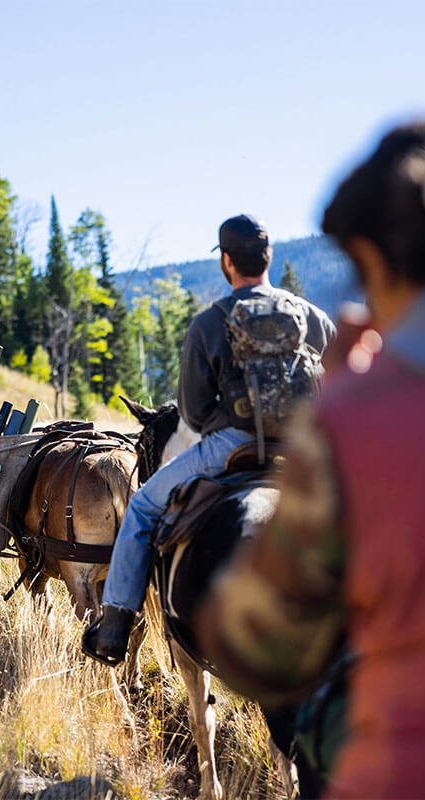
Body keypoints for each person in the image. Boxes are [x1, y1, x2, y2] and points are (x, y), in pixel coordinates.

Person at [194, 120, 425, 797]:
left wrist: (347, 401)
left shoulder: (364, 417)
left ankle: (114, 618)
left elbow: (255, 650)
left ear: (377, 259)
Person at [82, 214, 335, 662]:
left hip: (230, 447)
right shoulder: (310, 317)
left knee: (140, 509)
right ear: (268, 258)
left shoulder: (210, 322)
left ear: (225, 262)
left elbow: (195, 412)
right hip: (301, 450)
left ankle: (115, 627)